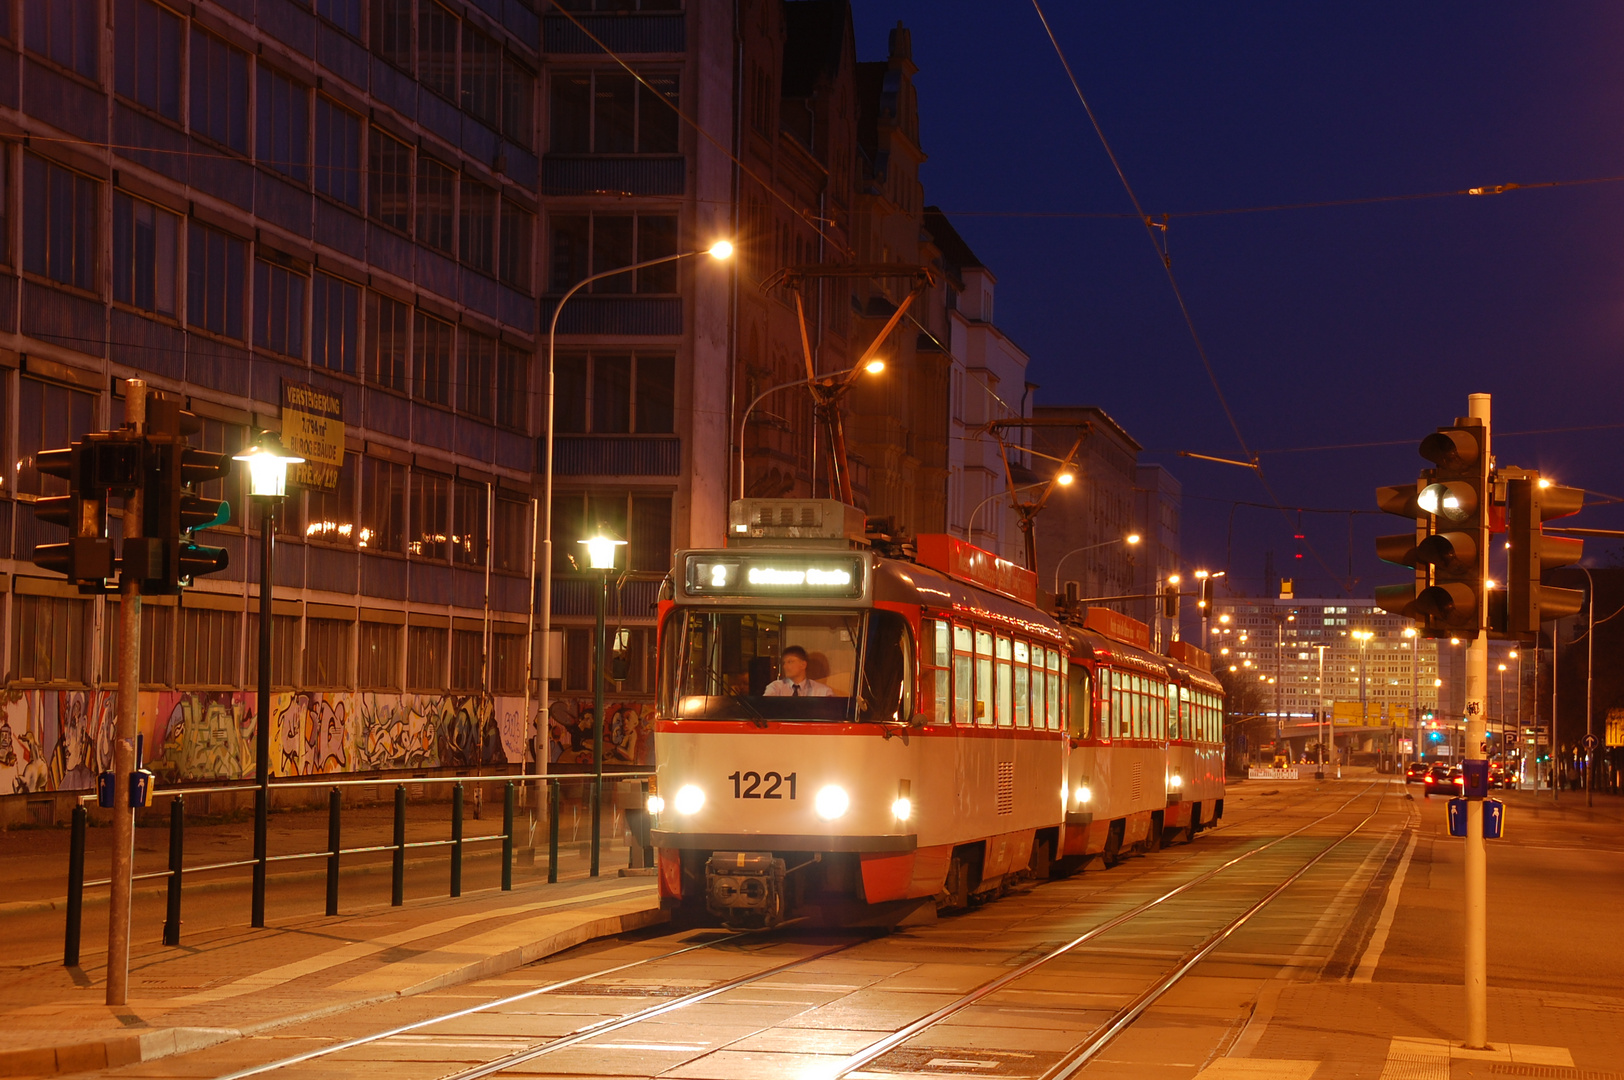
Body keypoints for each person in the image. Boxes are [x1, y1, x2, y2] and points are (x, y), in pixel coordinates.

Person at [763, 646, 833, 697]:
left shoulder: (823, 692)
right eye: (784, 663)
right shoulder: (775, 688)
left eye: (790, 662)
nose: (785, 666)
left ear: (803, 665)